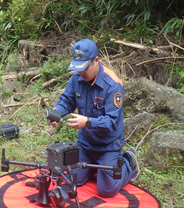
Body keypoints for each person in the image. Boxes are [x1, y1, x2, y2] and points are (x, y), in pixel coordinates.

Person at [47, 39, 140, 198]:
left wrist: (87, 122)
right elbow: (67, 101)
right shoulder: (77, 78)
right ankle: (95, 168)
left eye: (84, 67)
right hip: (86, 144)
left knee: (106, 191)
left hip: (108, 145)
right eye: (78, 68)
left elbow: (111, 122)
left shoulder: (113, 85)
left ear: (96, 61)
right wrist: (57, 112)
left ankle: (128, 162)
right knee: (71, 180)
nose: (81, 72)